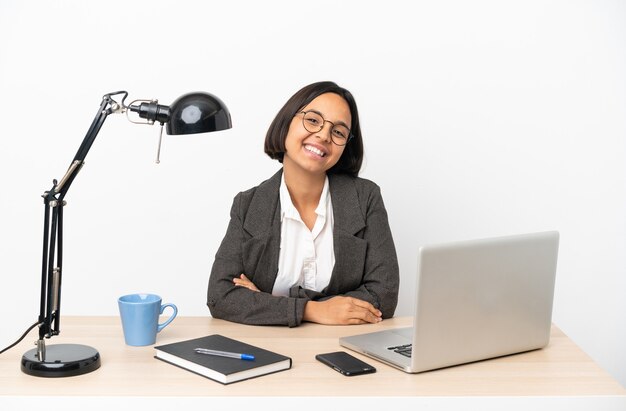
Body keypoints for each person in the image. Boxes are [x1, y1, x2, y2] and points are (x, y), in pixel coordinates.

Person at [207, 81, 399, 327]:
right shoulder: (249, 205)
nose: (323, 135)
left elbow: (384, 295)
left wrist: (265, 301)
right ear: (287, 122)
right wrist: (314, 310)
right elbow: (220, 297)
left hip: (345, 346)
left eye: (338, 132)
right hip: (268, 347)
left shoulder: (365, 197)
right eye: (313, 120)